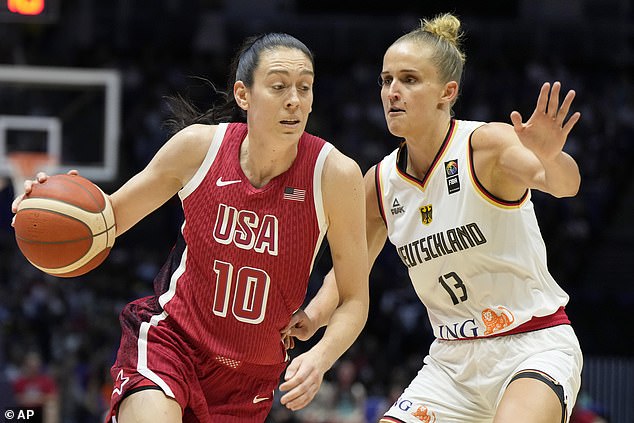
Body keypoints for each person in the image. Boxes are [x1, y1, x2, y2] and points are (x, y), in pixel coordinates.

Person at [12, 33, 369, 422]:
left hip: (250, 377)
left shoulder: (334, 174)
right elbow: (108, 219)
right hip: (174, 342)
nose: (294, 100)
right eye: (279, 86)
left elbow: (354, 298)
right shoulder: (199, 148)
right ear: (243, 95)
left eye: (305, 87)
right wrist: (47, 204)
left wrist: (321, 356)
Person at [284, 13, 583, 423]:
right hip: (452, 364)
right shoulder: (382, 182)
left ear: (447, 91)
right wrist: (314, 316)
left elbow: (565, 184)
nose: (392, 92)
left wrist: (551, 154)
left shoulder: (485, 146)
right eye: (386, 80)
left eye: (409, 80)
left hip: (531, 344)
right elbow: (349, 270)